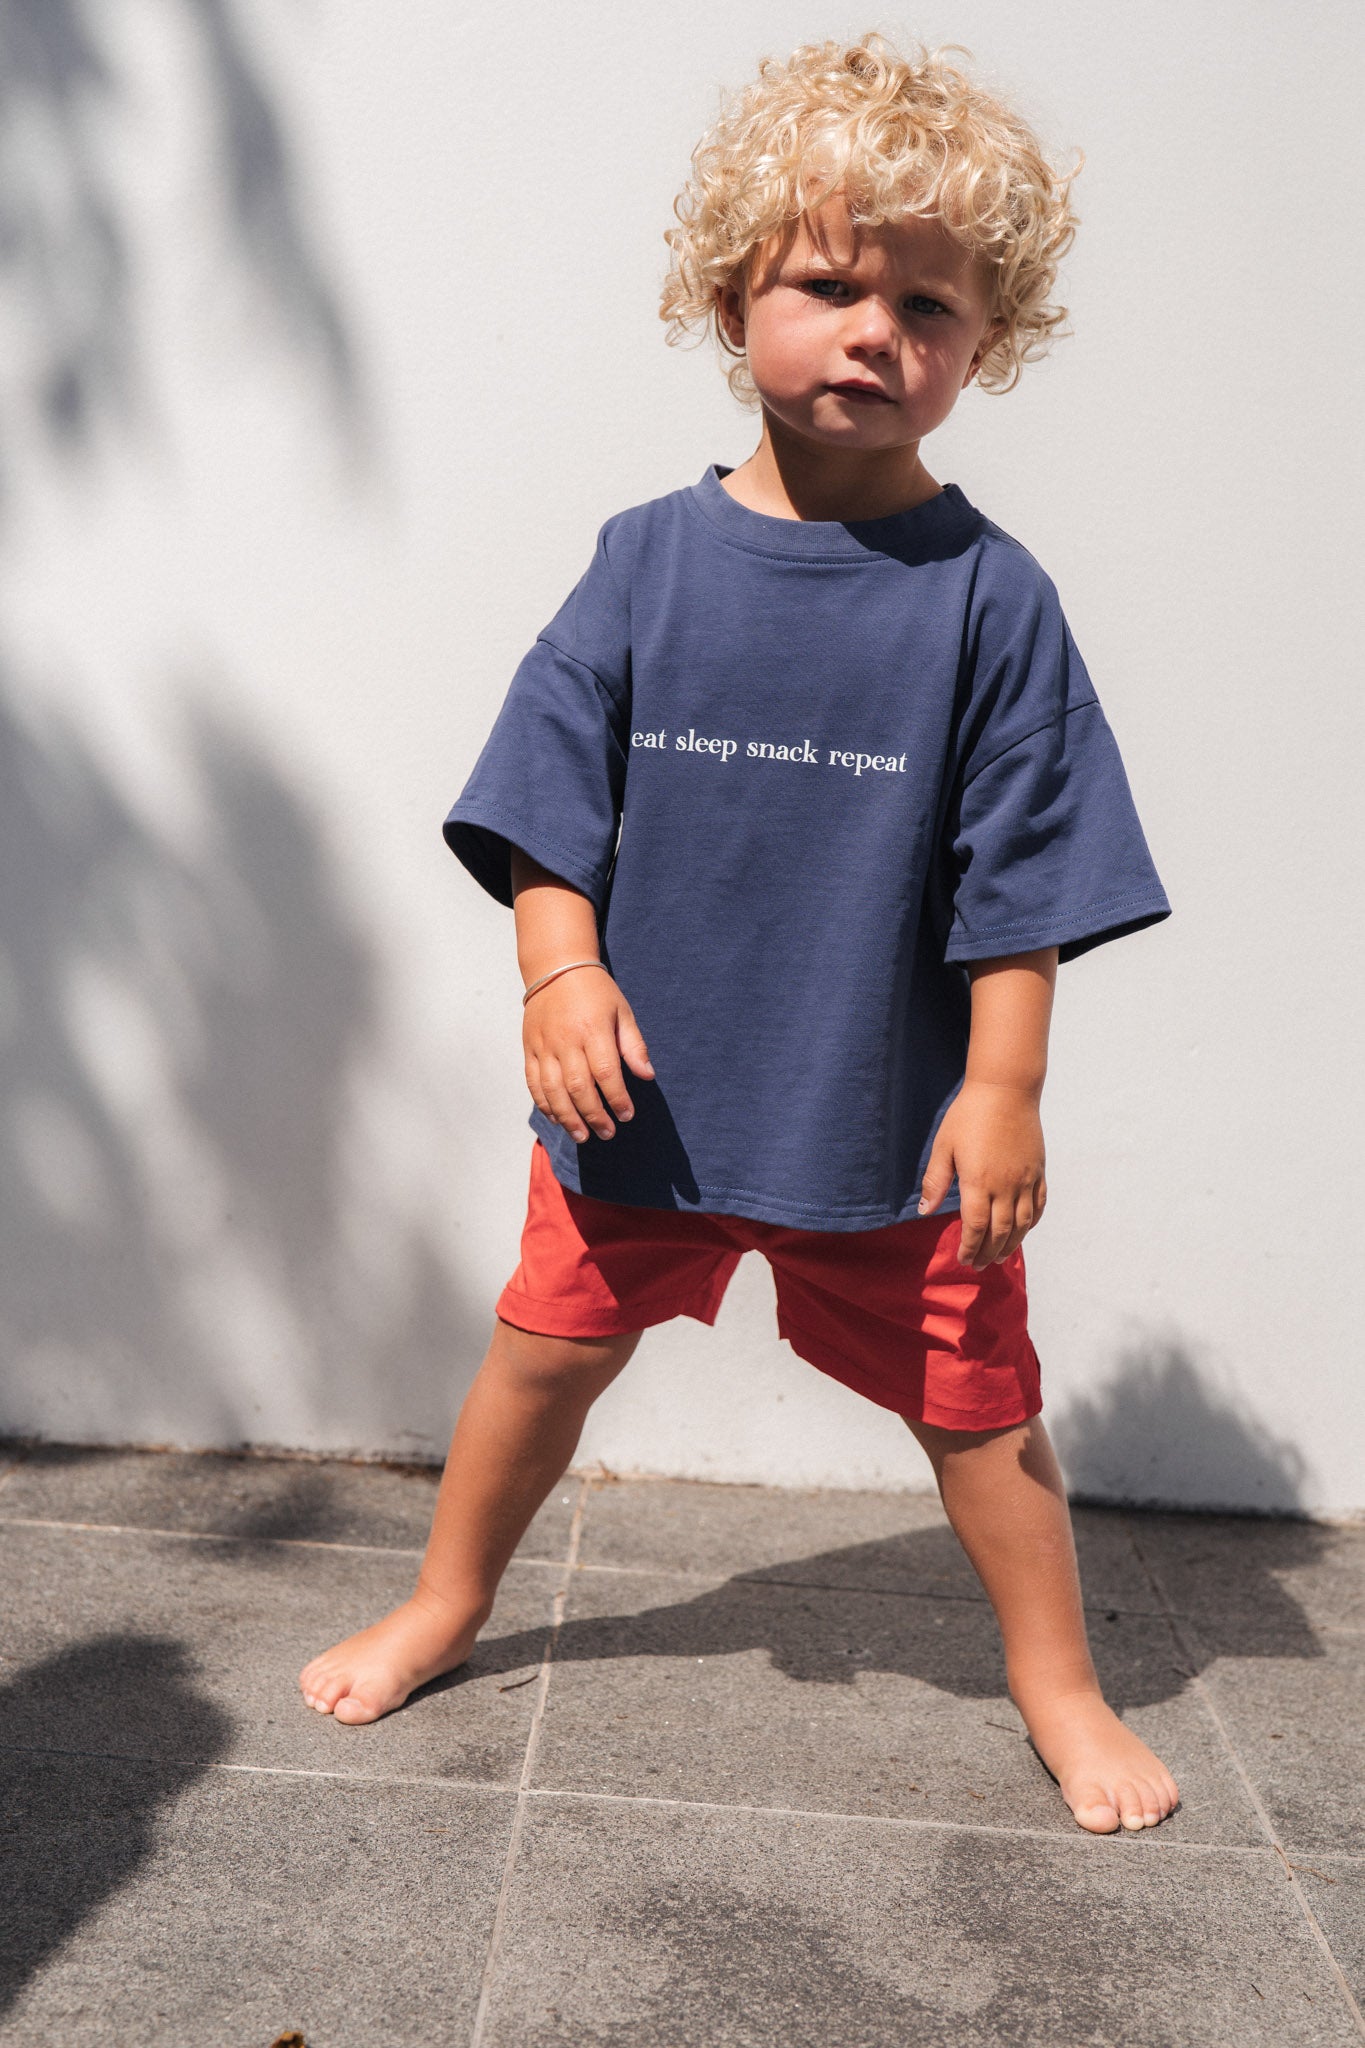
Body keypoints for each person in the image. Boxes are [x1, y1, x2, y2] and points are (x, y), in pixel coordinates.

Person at [300, 31, 1180, 1836]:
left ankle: (1058, 1681)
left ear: (984, 347)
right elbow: (549, 804)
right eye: (828, 283)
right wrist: (560, 971)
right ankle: (449, 1599)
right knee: (537, 1354)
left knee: (981, 1416)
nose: (875, 331)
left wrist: (1003, 1088)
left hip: (884, 1119)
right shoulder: (644, 560)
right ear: (731, 301)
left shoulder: (992, 604)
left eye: (927, 305)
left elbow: (1022, 872)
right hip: (649, 1102)